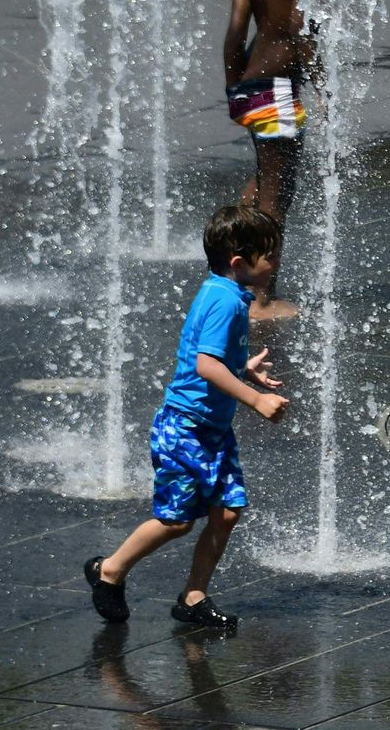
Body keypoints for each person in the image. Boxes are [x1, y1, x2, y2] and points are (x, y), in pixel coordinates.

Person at [84, 205, 292, 629]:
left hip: (211, 429)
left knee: (228, 510)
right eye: (269, 255)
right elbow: (205, 366)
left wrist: (244, 367)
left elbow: (214, 358)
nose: (276, 263)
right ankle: (109, 570)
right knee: (176, 521)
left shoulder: (229, 293)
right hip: (185, 427)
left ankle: (193, 597)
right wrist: (255, 399)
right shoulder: (225, 302)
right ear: (240, 262)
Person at [222, 0, 315, 321]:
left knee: (265, 177)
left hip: (251, 83)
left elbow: (235, 36)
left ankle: (231, 252)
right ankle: (261, 295)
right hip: (279, 88)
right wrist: (322, 85)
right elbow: (305, 31)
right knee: (279, 190)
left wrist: (232, 89)